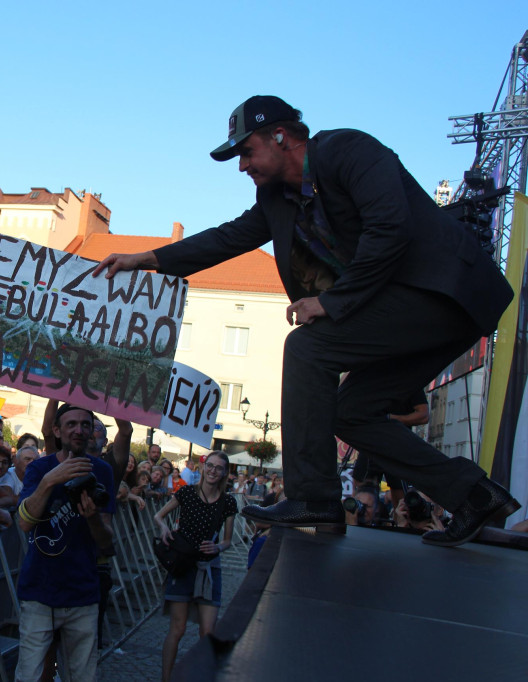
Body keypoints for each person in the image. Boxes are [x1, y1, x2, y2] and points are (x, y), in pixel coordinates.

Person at [95, 95, 518, 546]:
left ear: (280, 136)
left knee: (306, 348)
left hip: (446, 291)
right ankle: (472, 495)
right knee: (350, 411)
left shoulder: (349, 152)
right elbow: (229, 238)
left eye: (246, 151)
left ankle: (314, 496)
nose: (242, 166)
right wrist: (149, 258)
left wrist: (333, 302)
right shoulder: (277, 198)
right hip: (415, 308)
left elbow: (389, 228)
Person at [14, 403, 115, 681]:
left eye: (85, 424)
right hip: (39, 591)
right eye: (71, 424)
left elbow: (107, 543)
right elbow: (24, 523)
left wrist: (93, 518)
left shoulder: (103, 471)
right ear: (57, 431)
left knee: (82, 676)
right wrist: (50, 481)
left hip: (82, 593)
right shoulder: (40, 468)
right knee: (30, 675)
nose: (79, 430)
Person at [153, 451, 237, 681]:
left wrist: (218, 547)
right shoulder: (187, 493)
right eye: (210, 465)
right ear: (203, 467)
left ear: (224, 473)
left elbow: (228, 540)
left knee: (207, 632)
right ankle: (167, 679)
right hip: (183, 565)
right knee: (177, 629)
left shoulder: (228, 502)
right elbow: (159, 516)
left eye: (219, 468)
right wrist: (164, 528)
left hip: (209, 568)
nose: (213, 471)